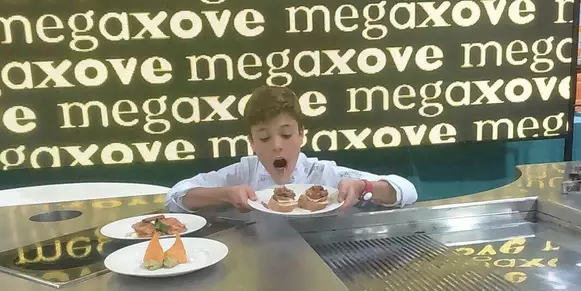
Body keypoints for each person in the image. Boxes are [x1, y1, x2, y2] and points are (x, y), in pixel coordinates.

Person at [166, 85, 418, 212]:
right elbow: (175, 197)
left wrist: (364, 187)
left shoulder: (322, 175)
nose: (277, 146)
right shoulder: (243, 173)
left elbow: (407, 191)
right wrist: (224, 194)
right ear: (252, 142)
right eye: (264, 138)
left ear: (301, 135)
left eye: (286, 135)